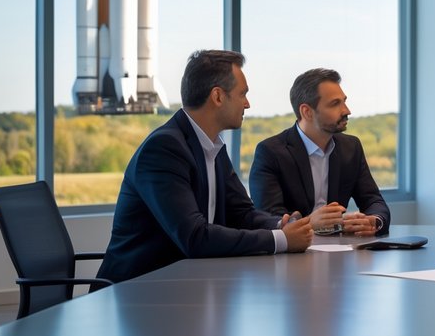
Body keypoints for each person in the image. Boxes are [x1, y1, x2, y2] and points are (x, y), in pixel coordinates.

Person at [98, 50, 313, 283]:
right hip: (137, 289)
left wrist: (280, 224)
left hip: (185, 284)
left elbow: (241, 213)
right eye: (242, 94)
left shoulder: (212, 145)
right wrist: (281, 240)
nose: (247, 104)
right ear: (218, 96)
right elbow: (195, 237)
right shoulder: (164, 148)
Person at [250, 68, 390, 236]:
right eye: (335, 104)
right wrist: (309, 224)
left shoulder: (351, 147)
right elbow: (269, 218)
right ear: (307, 112)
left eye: (344, 101)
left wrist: (375, 221)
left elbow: (373, 200)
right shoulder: (270, 152)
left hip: (341, 247)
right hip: (292, 250)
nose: (347, 111)